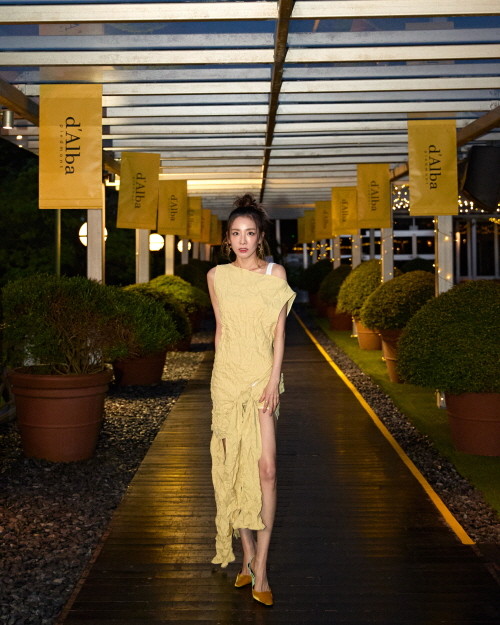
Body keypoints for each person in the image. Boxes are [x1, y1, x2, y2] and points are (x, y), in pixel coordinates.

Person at [207, 194, 296, 607]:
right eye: (236, 234)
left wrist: (273, 381)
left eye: (250, 233)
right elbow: (221, 329)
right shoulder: (217, 276)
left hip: (262, 380)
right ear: (228, 239)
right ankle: (247, 555)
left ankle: (262, 562)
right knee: (234, 467)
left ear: (261, 237)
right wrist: (217, 381)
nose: (243, 241)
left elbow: (280, 334)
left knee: (267, 469)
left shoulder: (275, 275)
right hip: (227, 381)